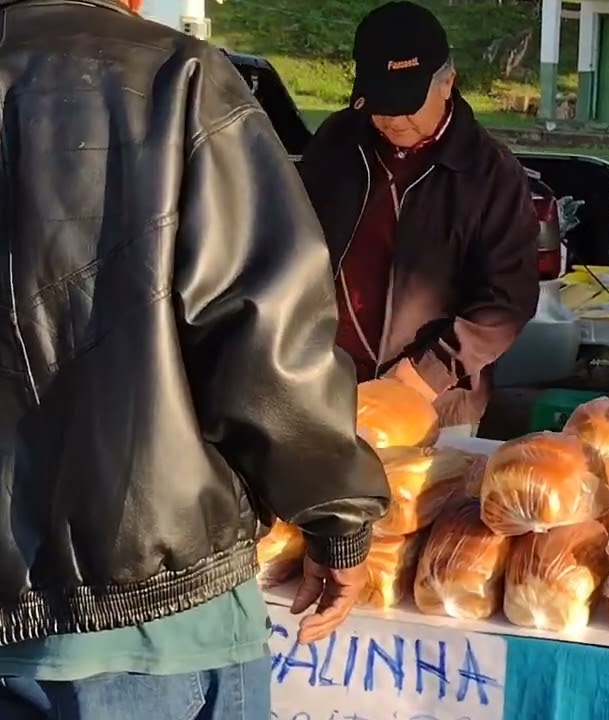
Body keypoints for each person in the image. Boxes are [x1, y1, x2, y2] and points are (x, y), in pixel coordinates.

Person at [0, 0, 392, 718]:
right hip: (148, 618)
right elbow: (267, 339)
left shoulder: (181, 83)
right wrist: (337, 524)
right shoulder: (178, 80)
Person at [300, 1, 541, 440]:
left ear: (448, 83)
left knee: (423, 505)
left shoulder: (490, 174)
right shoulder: (338, 143)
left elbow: (508, 299)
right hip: (331, 389)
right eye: (381, 105)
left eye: (408, 105)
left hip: (437, 401)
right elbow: (293, 244)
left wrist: (426, 371)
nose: (394, 120)